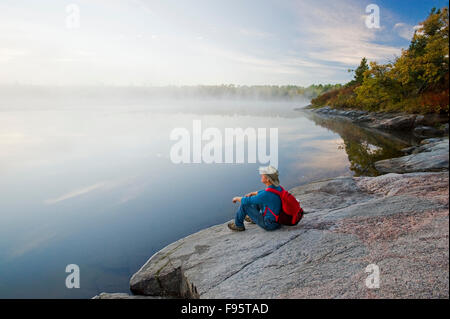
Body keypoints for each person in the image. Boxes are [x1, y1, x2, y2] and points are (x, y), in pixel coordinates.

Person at [228, 165, 282, 232]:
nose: (261, 175)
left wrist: (236, 198)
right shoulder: (278, 188)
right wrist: (253, 193)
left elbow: (246, 201)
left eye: (263, 175)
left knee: (245, 205)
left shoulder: (265, 195)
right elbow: (265, 192)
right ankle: (252, 218)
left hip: (269, 224)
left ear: (268, 179)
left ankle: (238, 225)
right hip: (277, 221)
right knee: (258, 201)